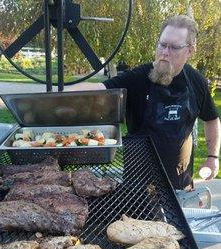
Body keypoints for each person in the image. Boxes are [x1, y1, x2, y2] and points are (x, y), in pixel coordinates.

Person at [66, 15, 220, 190]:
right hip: (138, 183)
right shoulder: (137, 77)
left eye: (174, 47)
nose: (165, 52)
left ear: (190, 51)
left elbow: (212, 119)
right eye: (162, 44)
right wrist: (54, 96)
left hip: (179, 182)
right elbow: (100, 88)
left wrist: (212, 157)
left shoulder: (196, 81)